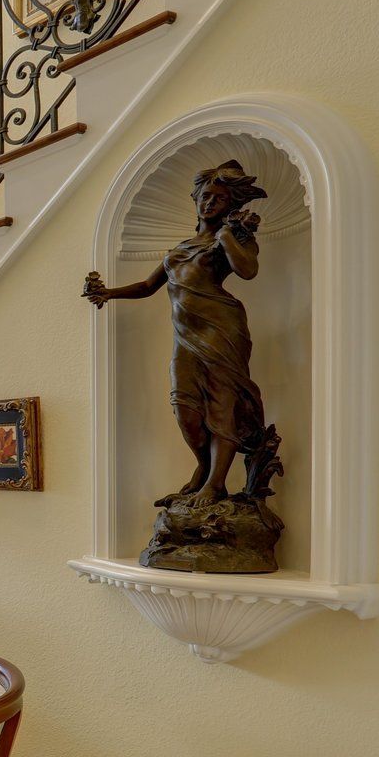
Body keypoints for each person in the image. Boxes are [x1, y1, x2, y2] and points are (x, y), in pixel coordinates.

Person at [82, 159, 270, 508]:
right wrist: (108, 293)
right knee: (185, 409)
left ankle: (215, 484)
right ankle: (203, 468)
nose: (210, 202)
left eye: (219, 198)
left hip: (221, 330)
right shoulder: (181, 247)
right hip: (185, 335)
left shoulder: (233, 236)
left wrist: (228, 235)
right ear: (196, 198)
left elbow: (248, 271)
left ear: (232, 205)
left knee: (221, 405)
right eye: (205, 196)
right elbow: (148, 285)